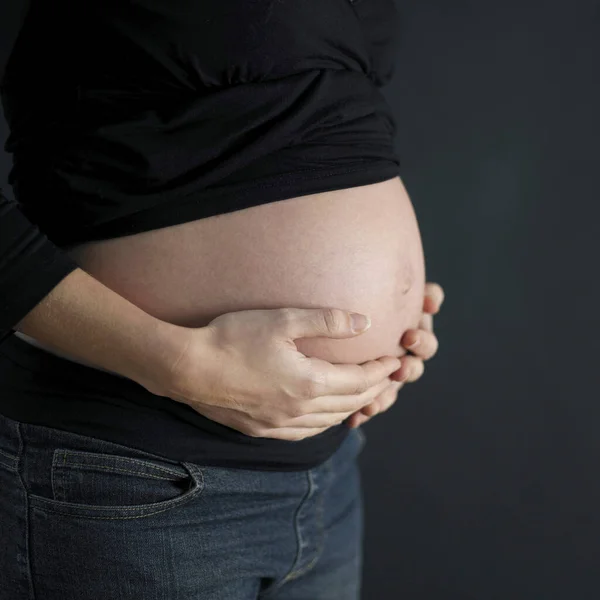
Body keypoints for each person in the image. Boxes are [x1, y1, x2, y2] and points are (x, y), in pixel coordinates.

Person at [0, 0, 444, 598]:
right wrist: (179, 364)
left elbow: (326, 128)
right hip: (133, 475)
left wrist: (393, 323)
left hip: (328, 475)